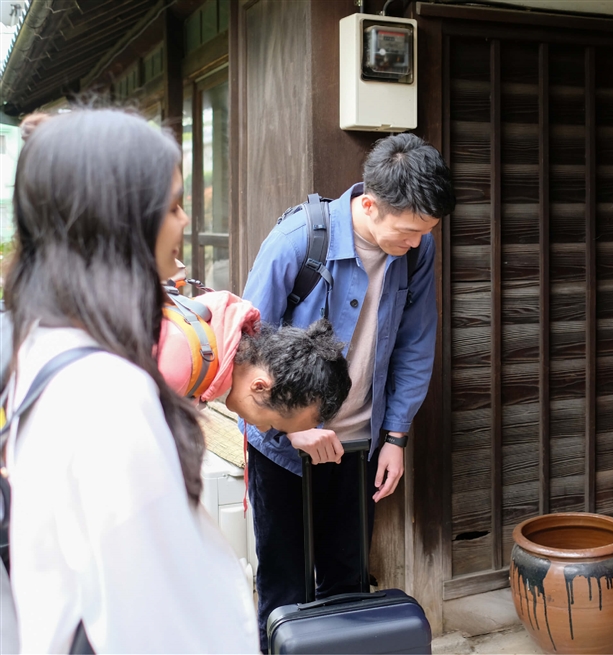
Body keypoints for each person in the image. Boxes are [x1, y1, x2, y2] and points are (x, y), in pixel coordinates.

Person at [2, 108, 258, 652]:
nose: (186, 221)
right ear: (117, 223)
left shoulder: (41, 343)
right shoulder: (107, 394)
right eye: (171, 206)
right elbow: (150, 618)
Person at [241, 132, 455, 649]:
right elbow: (243, 353)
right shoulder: (296, 242)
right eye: (407, 231)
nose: (414, 242)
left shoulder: (416, 251)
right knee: (284, 589)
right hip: (281, 449)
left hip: (359, 444)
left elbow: (415, 342)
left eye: (425, 232)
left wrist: (396, 437)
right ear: (369, 204)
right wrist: (291, 430)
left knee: (350, 588)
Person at [158, 286, 352, 436]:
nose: (263, 430)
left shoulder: (214, 333)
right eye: (273, 424)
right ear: (260, 386)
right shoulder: (180, 365)